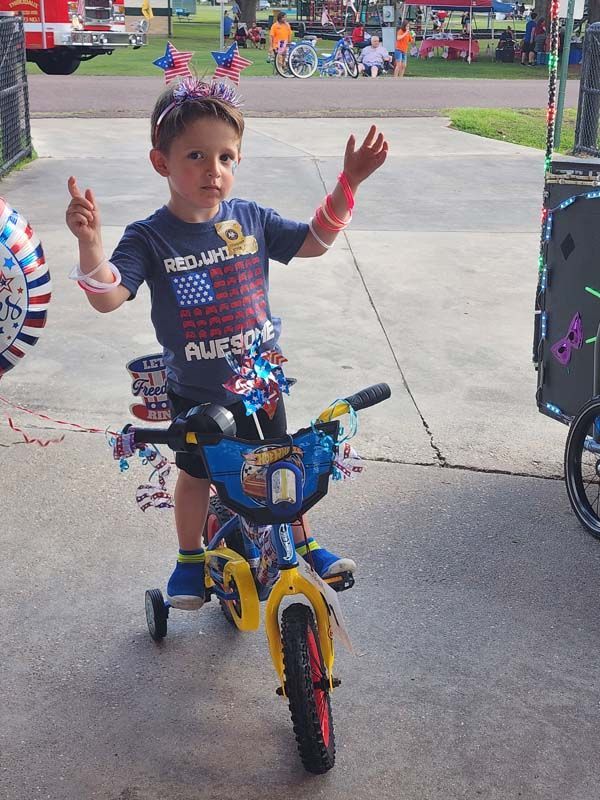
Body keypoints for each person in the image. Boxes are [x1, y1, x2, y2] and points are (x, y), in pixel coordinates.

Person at [65, 78, 388, 610]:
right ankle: (189, 558)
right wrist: (90, 243)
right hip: (197, 392)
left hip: (261, 382)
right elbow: (108, 295)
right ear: (160, 161)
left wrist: (347, 184)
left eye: (226, 156)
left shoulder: (252, 220)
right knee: (195, 476)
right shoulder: (148, 237)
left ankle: (301, 542)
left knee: (286, 464)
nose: (213, 169)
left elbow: (315, 241)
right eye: (195, 155)